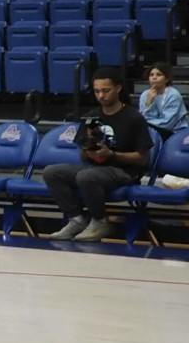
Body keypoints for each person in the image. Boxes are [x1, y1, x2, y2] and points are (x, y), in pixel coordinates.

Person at [44, 69, 152, 242]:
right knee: (52, 172)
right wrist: (89, 151)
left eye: (106, 90)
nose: (101, 95)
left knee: (87, 176)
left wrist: (112, 155)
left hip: (125, 171)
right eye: (97, 91)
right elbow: (83, 155)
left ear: (118, 88)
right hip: (95, 167)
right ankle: (76, 219)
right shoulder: (91, 117)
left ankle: (100, 221)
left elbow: (142, 158)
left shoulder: (134, 118)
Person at [138, 64, 185, 135]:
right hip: (153, 130)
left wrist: (146, 122)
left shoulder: (173, 95)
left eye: (159, 75)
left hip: (175, 131)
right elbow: (142, 118)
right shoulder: (145, 95)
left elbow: (167, 124)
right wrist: (148, 103)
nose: (154, 77)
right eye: (151, 75)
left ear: (166, 79)